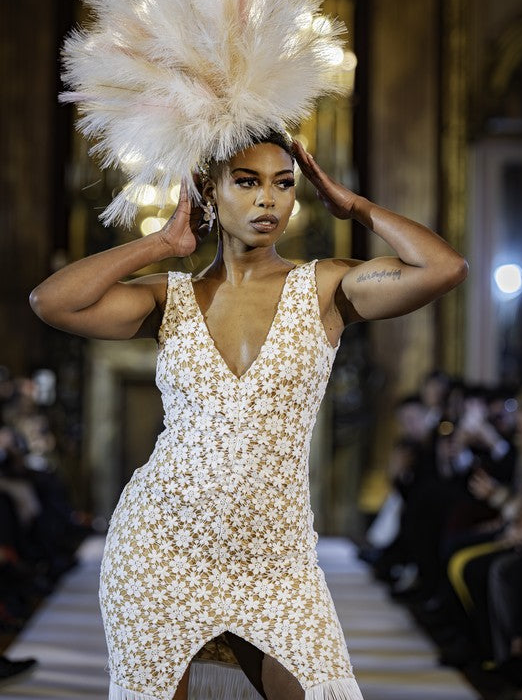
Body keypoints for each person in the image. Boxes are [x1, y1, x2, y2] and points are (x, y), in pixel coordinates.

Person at [29, 125, 467, 699]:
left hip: (277, 562)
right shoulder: (167, 297)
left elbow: (443, 268)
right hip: (161, 549)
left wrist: (354, 205)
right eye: (247, 182)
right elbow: (51, 301)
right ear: (208, 190)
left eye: (283, 184)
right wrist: (161, 244)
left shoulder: (325, 288)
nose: (268, 199)